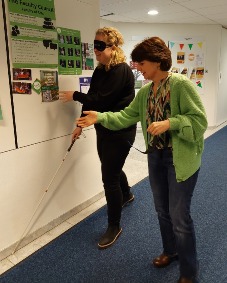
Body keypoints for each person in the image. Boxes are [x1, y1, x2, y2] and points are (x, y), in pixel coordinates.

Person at [76, 36, 208, 283]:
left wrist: (171, 122)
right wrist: (100, 117)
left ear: (157, 61)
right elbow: (126, 116)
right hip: (156, 157)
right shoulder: (146, 91)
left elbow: (200, 121)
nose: (136, 67)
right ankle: (170, 251)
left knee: (180, 216)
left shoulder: (180, 85)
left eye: (141, 63)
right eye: (135, 63)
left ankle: (189, 271)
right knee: (161, 210)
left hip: (180, 158)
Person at [59, 27, 137, 249]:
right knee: (110, 166)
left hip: (121, 130)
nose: (96, 50)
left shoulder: (121, 70)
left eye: (100, 46)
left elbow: (100, 101)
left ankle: (114, 226)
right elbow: (92, 99)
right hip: (103, 127)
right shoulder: (100, 70)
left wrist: (74, 94)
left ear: (113, 48)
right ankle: (128, 194)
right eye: (95, 45)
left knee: (109, 177)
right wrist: (80, 125)